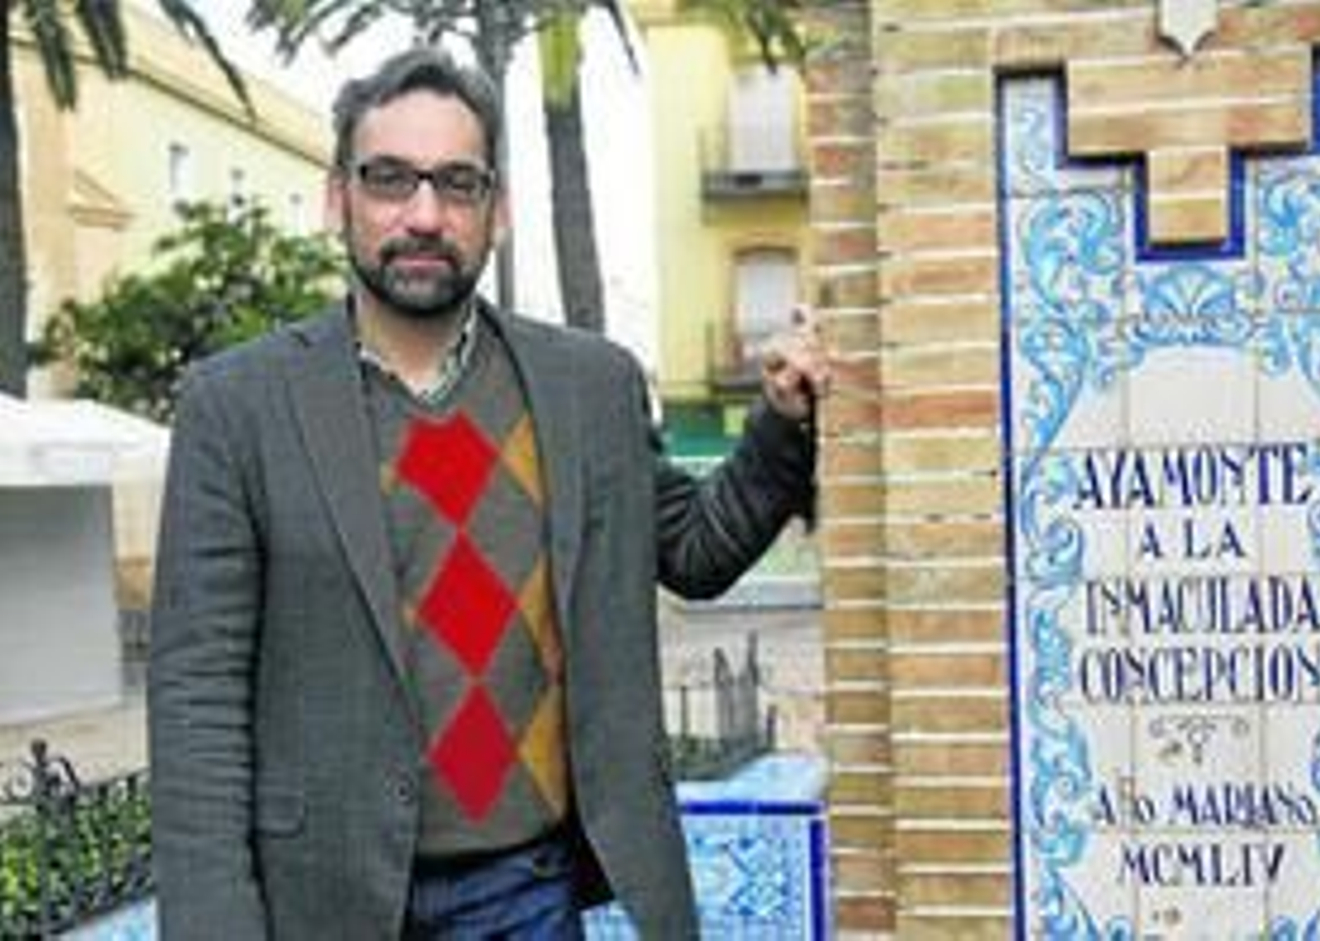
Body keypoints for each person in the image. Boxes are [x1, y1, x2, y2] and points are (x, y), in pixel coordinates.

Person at [148, 47, 826, 940]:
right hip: (325, 900)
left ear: (496, 211)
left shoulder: (589, 387)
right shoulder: (237, 407)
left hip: (525, 892)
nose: (423, 213)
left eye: (457, 183)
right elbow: (197, 691)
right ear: (336, 199)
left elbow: (695, 550)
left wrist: (781, 422)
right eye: (390, 178)